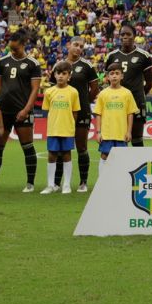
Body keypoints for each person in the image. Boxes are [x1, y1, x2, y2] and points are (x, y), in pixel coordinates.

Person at [0, 30, 43, 193]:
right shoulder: (2, 62)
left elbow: (35, 89)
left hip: (22, 111)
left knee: (27, 146)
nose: (12, 51)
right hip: (3, 111)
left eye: (16, 48)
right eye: (11, 48)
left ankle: (30, 184)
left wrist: (26, 110)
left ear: (23, 44)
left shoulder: (33, 64)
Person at [51, 38, 99, 192]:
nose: (78, 48)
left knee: (81, 147)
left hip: (82, 111)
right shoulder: (58, 65)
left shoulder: (87, 66)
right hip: (62, 113)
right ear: (68, 45)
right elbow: (54, 89)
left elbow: (94, 89)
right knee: (60, 148)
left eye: (81, 46)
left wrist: (84, 102)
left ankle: (83, 182)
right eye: (76, 45)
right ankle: (57, 183)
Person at [105, 23, 152, 149]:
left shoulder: (143, 56)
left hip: (137, 103)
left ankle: (140, 168)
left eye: (128, 34)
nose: (125, 37)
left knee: (137, 141)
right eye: (122, 34)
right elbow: (109, 81)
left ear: (134, 36)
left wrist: (139, 96)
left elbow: (149, 82)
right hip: (117, 103)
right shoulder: (112, 56)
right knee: (118, 140)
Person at [41, 64, 81, 195]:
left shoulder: (73, 92)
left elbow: (75, 112)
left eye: (64, 73)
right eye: (58, 73)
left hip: (67, 129)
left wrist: (70, 125)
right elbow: (46, 111)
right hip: (53, 129)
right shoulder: (49, 92)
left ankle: (66, 185)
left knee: (66, 155)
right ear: (54, 75)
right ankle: (50, 185)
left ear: (69, 76)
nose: (60, 76)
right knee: (51, 155)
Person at [93, 67, 139, 158]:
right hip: (106, 134)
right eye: (112, 73)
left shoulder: (127, 93)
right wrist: (98, 132)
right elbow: (98, 114)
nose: (114, 76)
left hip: (121, 134)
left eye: (117, 73)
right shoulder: (103, 94)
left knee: (121, 158)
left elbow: (130, 114)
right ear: (107, 77)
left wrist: (129, 132)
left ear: (122, 76)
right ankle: (104, 173)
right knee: (104, 156)